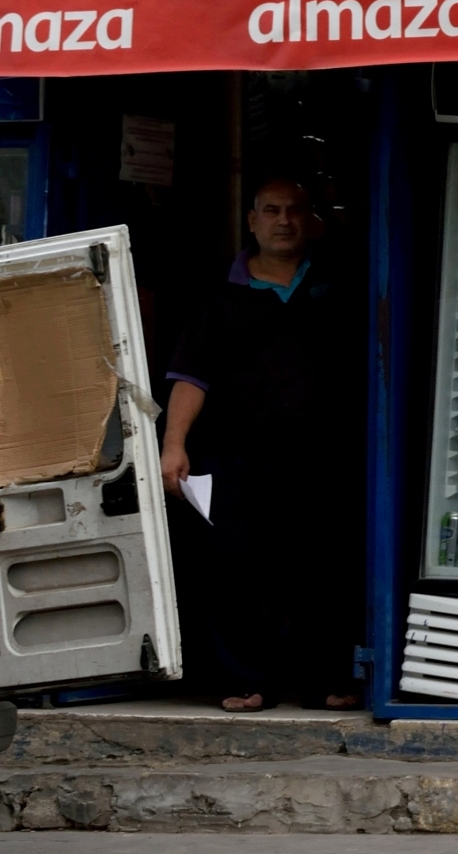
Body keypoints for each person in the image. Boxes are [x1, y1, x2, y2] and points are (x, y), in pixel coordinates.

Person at [159, 174, 366, 712]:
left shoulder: (339, 281)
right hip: (236, 458)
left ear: (311, 219)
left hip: (323, 455)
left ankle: (325, 680)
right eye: (271, 210)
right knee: (237, 567)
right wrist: (173, 445)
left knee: (324, 566)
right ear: (252, 221)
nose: (283, 220)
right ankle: (248, 680)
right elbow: (190, 377)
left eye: (294, 210)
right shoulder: (219, 293)